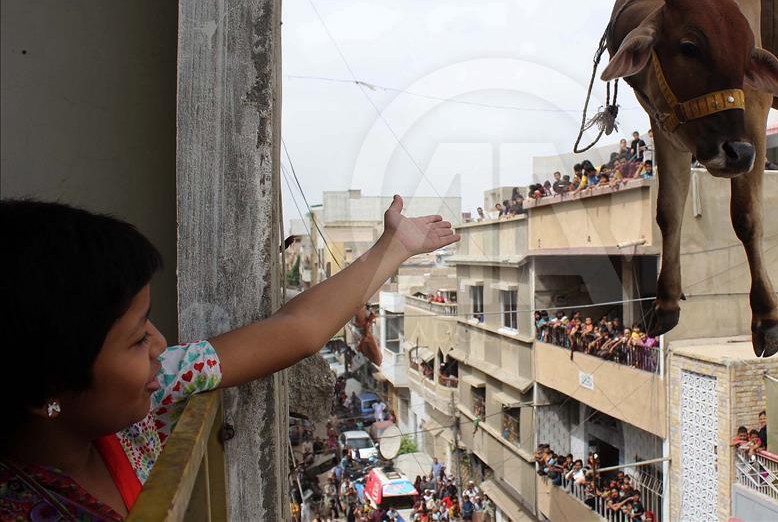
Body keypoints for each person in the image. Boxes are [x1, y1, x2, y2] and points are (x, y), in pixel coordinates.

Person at [0, 198, 458, 521]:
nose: (161, 346)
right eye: (138, 339)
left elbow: (295, 330)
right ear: (48, 391)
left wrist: (394, 246)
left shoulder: (153, 389)